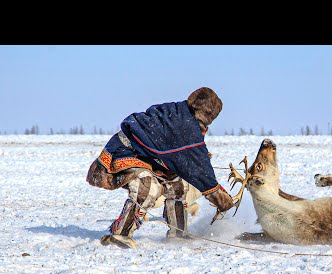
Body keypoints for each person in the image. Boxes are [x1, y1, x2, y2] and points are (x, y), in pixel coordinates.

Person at [86, 87, 235, 249]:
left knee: (178, 185)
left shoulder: (179, 111)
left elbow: (183, 155)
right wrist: (220, 198)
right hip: (125, 152)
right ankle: (120, 233)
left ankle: (178, 234)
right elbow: (200, 169)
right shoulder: (187, 127)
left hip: (148, 157)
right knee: (147, 188)